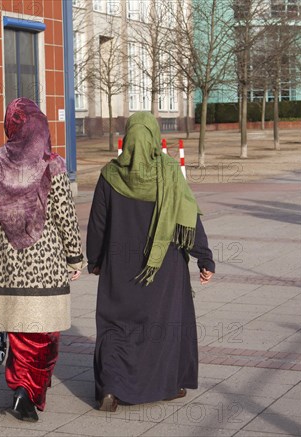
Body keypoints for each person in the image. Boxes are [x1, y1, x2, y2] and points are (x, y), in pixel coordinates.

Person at [0, 97, 85, 422]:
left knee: (19, 333)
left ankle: (20, 388)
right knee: (45, 335)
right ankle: (29, 393)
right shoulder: (52, 164)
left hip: (6, 265)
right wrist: (75, 257)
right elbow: (64, 215)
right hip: (45, 265)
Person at [86, 112, 215, 412]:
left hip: (119, 268)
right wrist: (204, 258)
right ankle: (166, 385)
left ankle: (111, 389)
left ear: (128, 138)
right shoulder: (170, 172)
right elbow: (188, 217)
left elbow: (97, 225)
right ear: (156, 138)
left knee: (115, 327)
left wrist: (95, 260)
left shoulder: (109, 175)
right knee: (163, 327)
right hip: (163, 271)